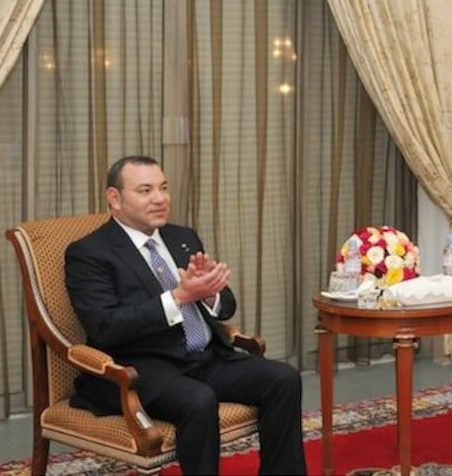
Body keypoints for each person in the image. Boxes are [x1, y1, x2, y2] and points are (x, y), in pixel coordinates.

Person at [65, 155, 307, 474]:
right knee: (199, 400)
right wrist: (179, 297)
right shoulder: (89, 253)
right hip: (141, 368)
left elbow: (227, 306)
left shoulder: (182, 237)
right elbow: (106, 327)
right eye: (145, 190)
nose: (160, 198)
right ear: (115, 198)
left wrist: (208, 293)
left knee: (283, 378)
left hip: (205, 358)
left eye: (164, 188)